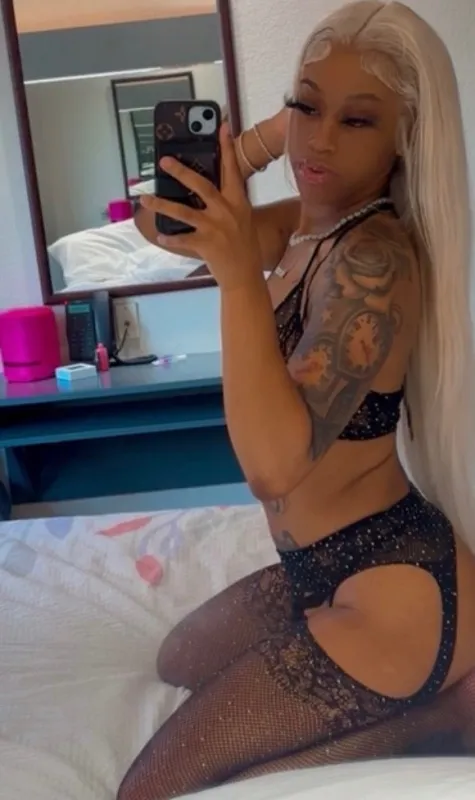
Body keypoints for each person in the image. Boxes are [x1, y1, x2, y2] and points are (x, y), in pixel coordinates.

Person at [119, 1, 475, 797]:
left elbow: (274, 467)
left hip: (397, 581)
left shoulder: (373, 260)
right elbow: (159, 225)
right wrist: (257, 141)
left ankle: (438, 716)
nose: (319, 140)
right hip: (316, 564)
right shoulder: (308, 226)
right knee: (177, 659)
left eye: (358, 120)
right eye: (307, 107)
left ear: (402, 137)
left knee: (151, 791)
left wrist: (236, 277)